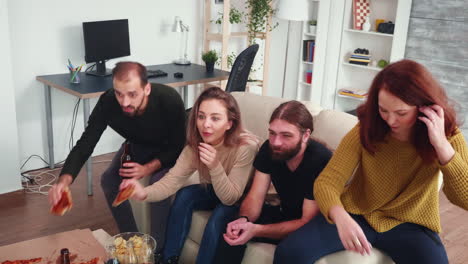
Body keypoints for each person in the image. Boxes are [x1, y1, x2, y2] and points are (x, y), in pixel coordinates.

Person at [274, 59, 468, 264]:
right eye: (384, 110)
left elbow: (463, 199)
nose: (391, 120)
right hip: (357, 213)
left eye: (401, 113)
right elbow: (327, 181)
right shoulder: (366, 129)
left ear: (424, 108)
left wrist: (442, 147)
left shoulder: (448, 136)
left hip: (411, 223)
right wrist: (340, 217)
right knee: (289, 252)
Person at [48, 61, 186, 253]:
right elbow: (86, 143)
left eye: (132, 94)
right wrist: (64, 181)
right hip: (138, 145)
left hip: (168, 150)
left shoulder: (169, 100)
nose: (125, 102)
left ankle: (158, 251)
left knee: (156, 183)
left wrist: (147, 168)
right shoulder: (108, 102)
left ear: (147, 89)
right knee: (108, 180)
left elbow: (178, 146)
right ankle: (132, 242)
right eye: (119, 93)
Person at [120, 86, 259, 264]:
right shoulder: (194, 147)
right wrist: (143, 192)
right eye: (201, 116)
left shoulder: (245, 146)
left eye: (215, 118)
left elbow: (230, 199)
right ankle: (169, 259)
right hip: (216, 189)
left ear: (229, 123)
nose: (205, 124)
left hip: (242, 198)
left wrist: (215, 165)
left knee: (220, 214)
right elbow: (171, 182)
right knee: (186, 195)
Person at [213, 101, 332, 264]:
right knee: (233, 224)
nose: (276, 142)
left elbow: (306, 221)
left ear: (305, 135)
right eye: (272, 133)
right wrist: (245, 220)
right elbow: (255, 196)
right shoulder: (269, 149)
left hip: (312, 228)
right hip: (285, 213)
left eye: (286, 135)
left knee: (291, 250)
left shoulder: (319, 160)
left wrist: (256, 230)